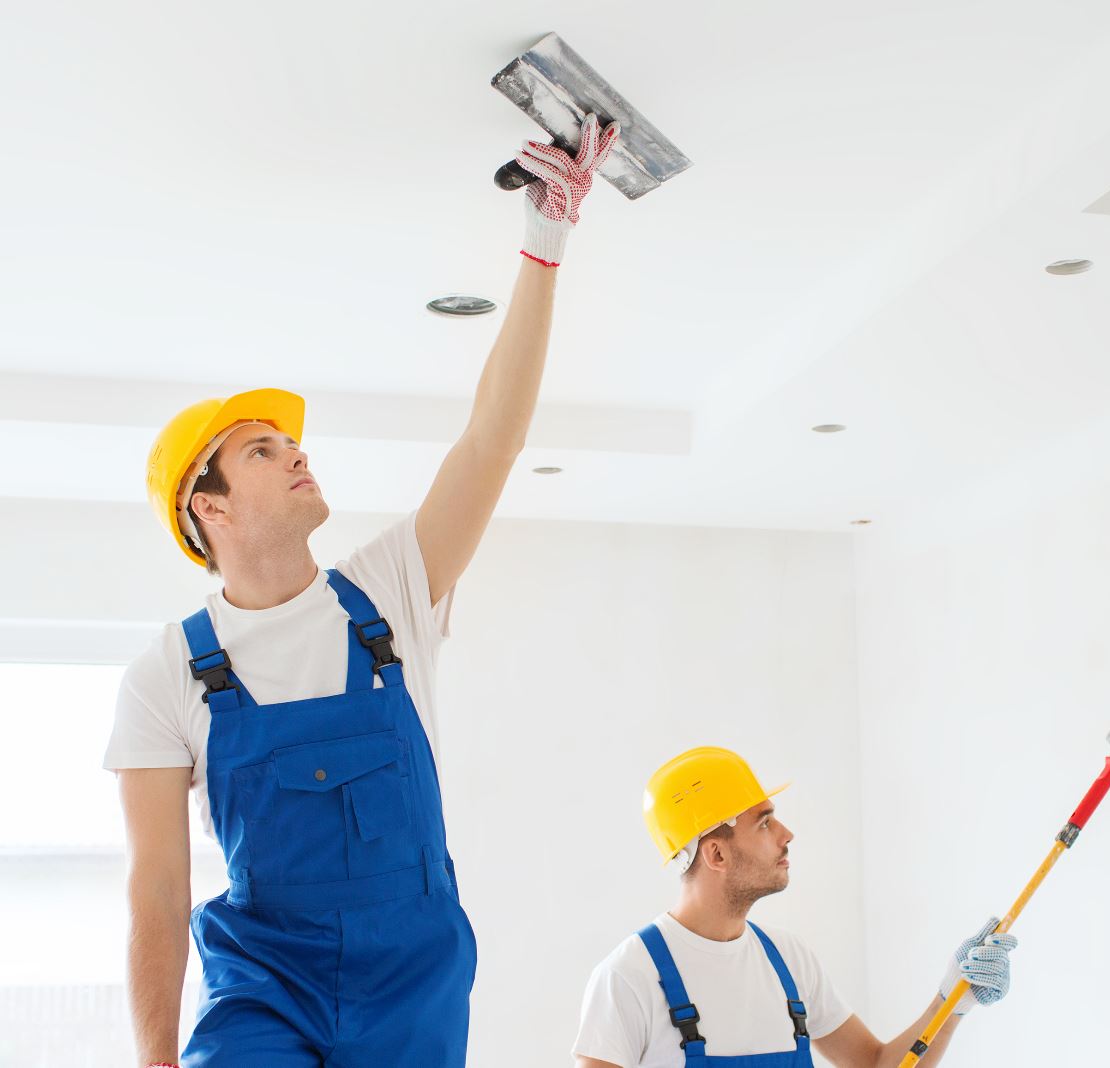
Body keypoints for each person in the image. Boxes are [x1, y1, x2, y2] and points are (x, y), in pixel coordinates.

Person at [104, 115, 620, 1067]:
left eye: (290, 441)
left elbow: (490, 443)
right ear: (206, 509)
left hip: (414, 981)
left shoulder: (388, 592)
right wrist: (153, 1059)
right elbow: (157, 890)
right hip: (265, 986)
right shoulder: (167, 672)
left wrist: (546, 240)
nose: (295, 451)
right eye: (260, 450)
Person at [573, 746, 1020, 1068]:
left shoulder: (787, 960)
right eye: (764, 823)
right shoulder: (628, 980)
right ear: (717, 855)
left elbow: (879, 1065)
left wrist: (951, 1000)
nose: (787, 834)